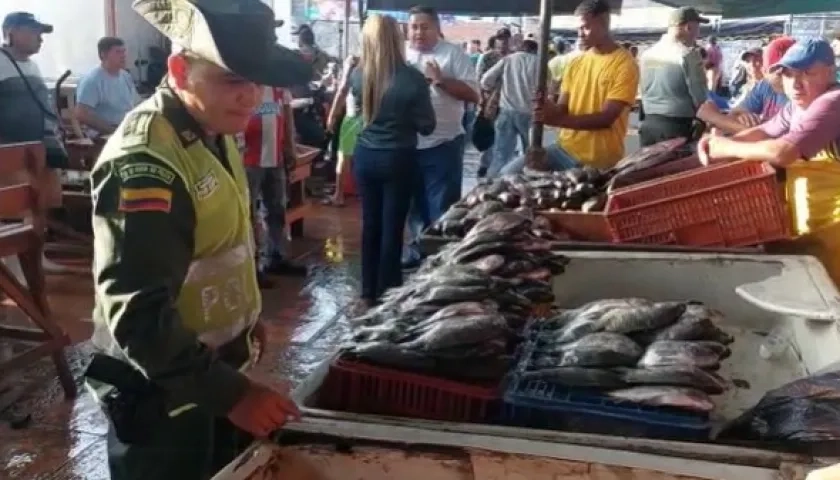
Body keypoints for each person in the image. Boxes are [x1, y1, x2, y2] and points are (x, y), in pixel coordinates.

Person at [84, 0, 312, 477]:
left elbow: (219, 243)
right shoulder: (146, 162)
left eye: (255, 81)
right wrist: (234, 395)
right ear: (180, 69)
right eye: (232, 80)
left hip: (209, 374)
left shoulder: (213, 127)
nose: (249, 97)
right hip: (162, 390)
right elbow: (139, 314)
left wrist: (243, 320)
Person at [698, 38, 840, 285]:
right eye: (788, 74)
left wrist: (725, 147)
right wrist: (714, 144)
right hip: (815, 217)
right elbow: (764, 131)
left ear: (830, 72)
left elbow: (783, 152)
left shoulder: (832, 102)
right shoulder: (798, 107)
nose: (795, 83)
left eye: (808, 73)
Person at [349, 14, 435, 306]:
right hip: (398, 157)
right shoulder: (411, 78)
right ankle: (388, 293)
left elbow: (360, 113)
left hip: (365, 155)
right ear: (396, 38)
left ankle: (367, 292)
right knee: (392, 227)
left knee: (370, 224)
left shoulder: (359, 74)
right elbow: (428, 125)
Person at [501, 0, 638, 174]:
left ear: (604, 21)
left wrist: (555, 120)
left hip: (597, 160)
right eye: (578, 29)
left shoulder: (625, 64)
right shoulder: (576, 62)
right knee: (507, 174)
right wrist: (548, 106)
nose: (580, 34)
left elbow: (606, 119)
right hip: (564, 148)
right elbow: (562, 109)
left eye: (585, 27)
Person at [402, 5, 479, 269]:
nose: (418, 32)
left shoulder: (453, 54)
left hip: (442, 144)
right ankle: (416, 251)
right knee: (412, 205)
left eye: (424, 27)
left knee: (441, 207)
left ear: (437, 29)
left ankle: (439, 259)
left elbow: (473, 94)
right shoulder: (401, 55)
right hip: (408, 144)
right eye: (414, 27)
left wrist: (440, 80)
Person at [0, 12, 75, 275]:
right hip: (11, 149)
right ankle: (14, 266)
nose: (40, 39)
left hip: (40, 148)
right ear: (11, 31)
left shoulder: (32, 66)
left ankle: (36, 257)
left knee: (40, 202)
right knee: (15, 205)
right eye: (34, 32)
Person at [242, 83, 308, 285]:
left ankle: (276, 257)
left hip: (275, 157)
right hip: (249, 159)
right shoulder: (246, 85)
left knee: (277, 208)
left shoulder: (280, 87)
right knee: (249, 213)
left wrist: (290, 147)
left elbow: (287, 117)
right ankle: (251, 266)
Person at [638, 7, 708, 146]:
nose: (698, 33)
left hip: (648, 125)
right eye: (697, 27)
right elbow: (701, 97)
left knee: (649, 168)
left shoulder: (647, 54)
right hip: (677, 128)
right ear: (688, 27)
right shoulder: (688, 55)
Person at [481, 39, 538, 176]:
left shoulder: (508, 60)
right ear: (535, 50)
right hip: (530, 113)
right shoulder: (539, 63)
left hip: (506, 111)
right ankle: (525, 182)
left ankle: (492, 183)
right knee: (530, 153)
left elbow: (486, 80)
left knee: (501, 153)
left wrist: (490, 90)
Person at [75, 37, 141, 137]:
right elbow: (82, 114)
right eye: (118, 52)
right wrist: (112, 131)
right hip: (103, 135)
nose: (123, 55)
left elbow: (135, 104)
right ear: (103, 54)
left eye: (124, 51)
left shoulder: (125, 76)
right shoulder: (93, 80)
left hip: (126, 130)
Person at [325, 55, 361, 207]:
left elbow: (343, 89)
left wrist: (332, 114)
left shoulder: (352, 61)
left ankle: (339, 195)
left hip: (353, 117)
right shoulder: (379, 62)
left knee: (343, 156)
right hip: (371, 117)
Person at [474, 34, 510, 178]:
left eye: (505, 46)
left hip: (506, 101)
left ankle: (496, 166)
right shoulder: (487, 57)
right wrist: (482, 99)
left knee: (502, 135)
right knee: (489, 133)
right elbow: (479, 79)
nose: (502, 49)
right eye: (500, 46)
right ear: (495, 45)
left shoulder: (512, 58)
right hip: (490, 102)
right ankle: (485, 164)